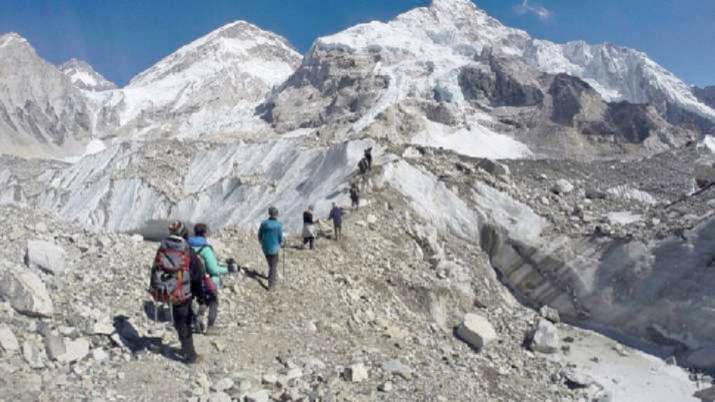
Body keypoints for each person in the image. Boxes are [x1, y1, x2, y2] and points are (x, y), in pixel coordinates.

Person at [151, 221, 200, 364]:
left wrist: (155, 288)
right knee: (185, 321)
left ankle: (186, 347)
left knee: (180, 321)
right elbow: (197, 273)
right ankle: (190, 355)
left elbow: (155, 269)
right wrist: (198, 294)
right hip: (183, 291)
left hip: (167, 289)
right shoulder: (187, 250)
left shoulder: (163, 248)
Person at [188, 223, 229, 334]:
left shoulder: (187, 246)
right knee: (213, 300)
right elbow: (214, 269)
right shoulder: (206, 249)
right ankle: (210, 327)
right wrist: (228, 269)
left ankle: (195, 320)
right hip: (203, 281)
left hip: (189, 281)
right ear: (205, 233)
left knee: (198, 300)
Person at [258, 206, 284, 291]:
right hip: (274, 248)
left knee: (271, 263)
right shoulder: (279, 225)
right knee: (273, 266)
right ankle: (271, 285)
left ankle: (273, 277)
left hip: (265, 247)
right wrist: (281, 244)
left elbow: (259, 235)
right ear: (276, 214)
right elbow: (280, 237)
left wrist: (262, 242)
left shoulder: (264, 223)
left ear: (269, 214)